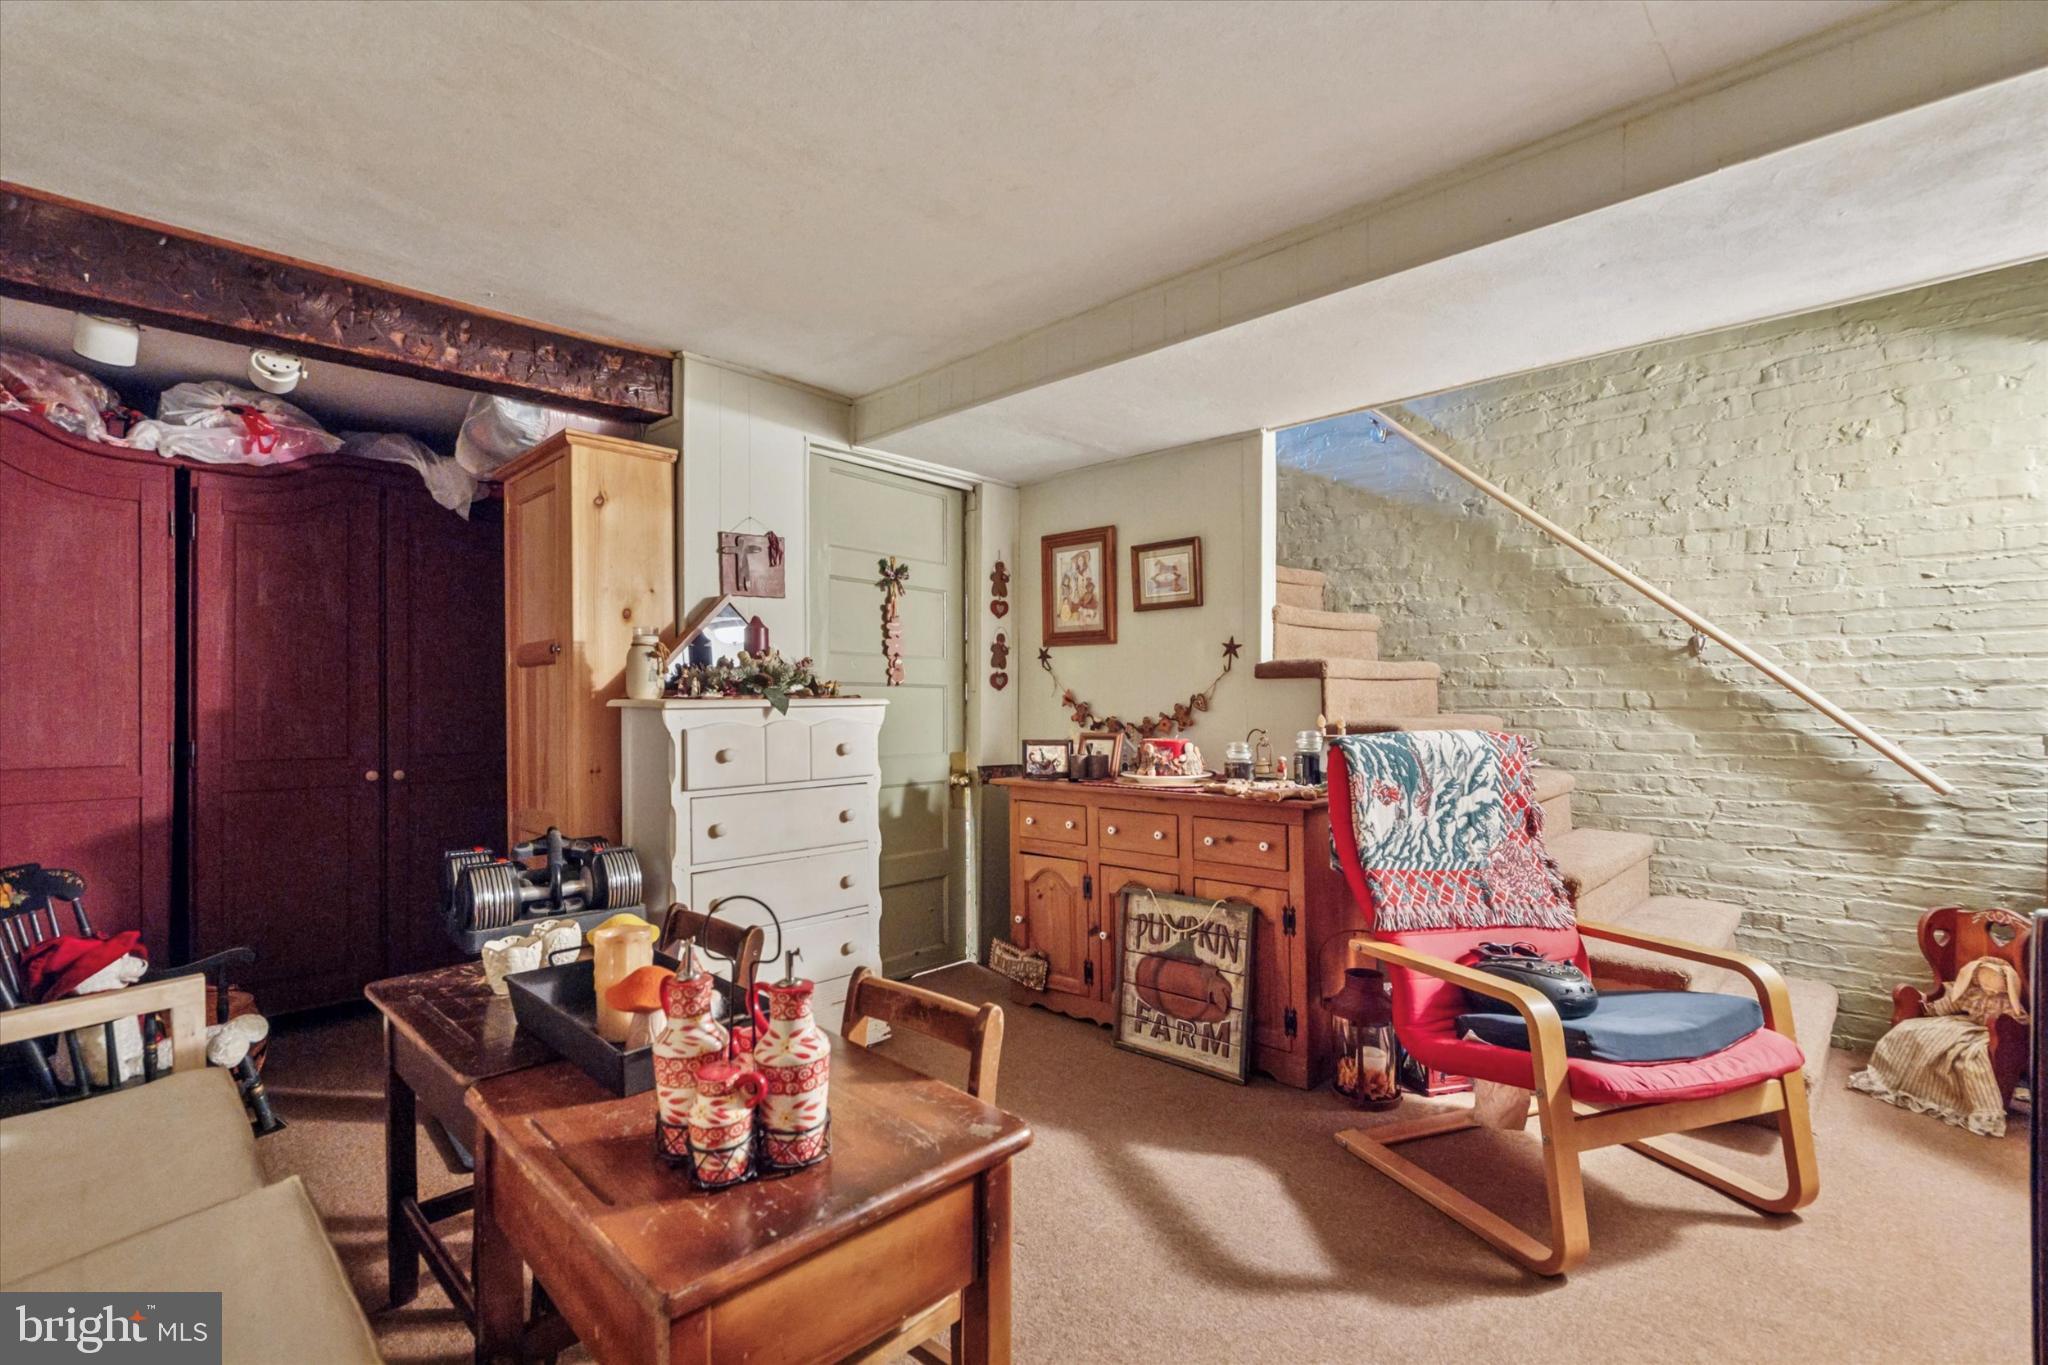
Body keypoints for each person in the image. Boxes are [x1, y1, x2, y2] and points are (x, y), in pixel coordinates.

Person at [1849, 954, 2029, 1137]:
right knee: (1909, 1030)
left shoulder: (2005, 1002)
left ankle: (1974, 1107)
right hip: (1965, 1021)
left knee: (1971, 1056)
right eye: (1985, 979)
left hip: (1991, 1030)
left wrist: (2021, 1024)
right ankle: (1899, 1083)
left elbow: (2018, 1018)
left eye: (1994, 981)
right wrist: (1930, 1007)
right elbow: (1952, 1003)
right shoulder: (1972, 993)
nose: (1989, 987)